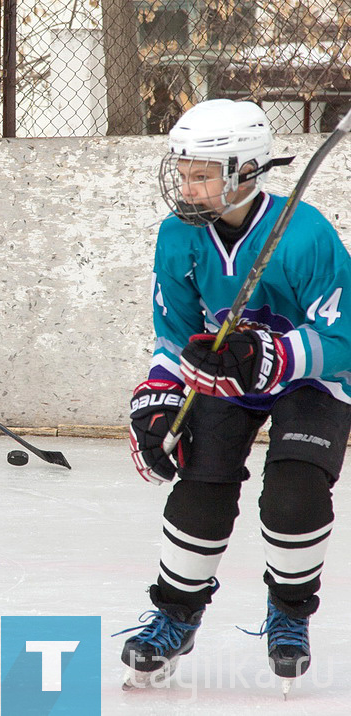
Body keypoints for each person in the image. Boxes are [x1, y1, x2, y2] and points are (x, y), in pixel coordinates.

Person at [119, 99, 351, 690]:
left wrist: (269, 354)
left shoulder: (306, 235)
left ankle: (290, 614)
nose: (187, 187)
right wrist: (159, 399)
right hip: (226, 380)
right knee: (200, 492)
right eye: (183, 172)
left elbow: (345, 338)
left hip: (312, 382)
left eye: (202, 175)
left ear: (246, 171)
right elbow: (173, 336)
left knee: (294, 497)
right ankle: (175, 612)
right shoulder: (177, 237)